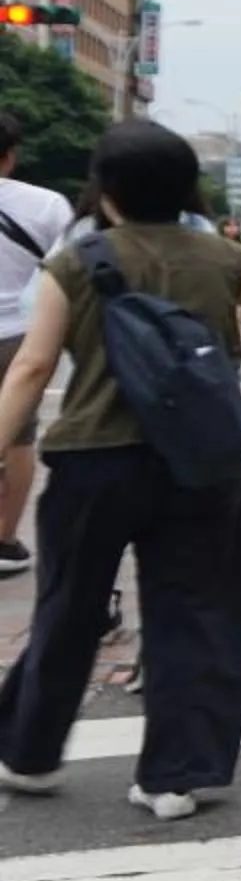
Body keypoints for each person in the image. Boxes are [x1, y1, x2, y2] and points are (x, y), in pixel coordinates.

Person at [0, 122, 241, 820]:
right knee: (194, 611)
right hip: (203, 463)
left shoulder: (80, 261)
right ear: (186, 189)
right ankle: (175, 776)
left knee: (69, 606)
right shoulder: (223, 257)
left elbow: (31, 367)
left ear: (105, 192)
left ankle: (28, 753)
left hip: (93, 459)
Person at [0, 114, 77, 577]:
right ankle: (4, 541)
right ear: (11, 154)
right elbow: (70, 265)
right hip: (16, 333)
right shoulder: (45, 204)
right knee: (18, 436)